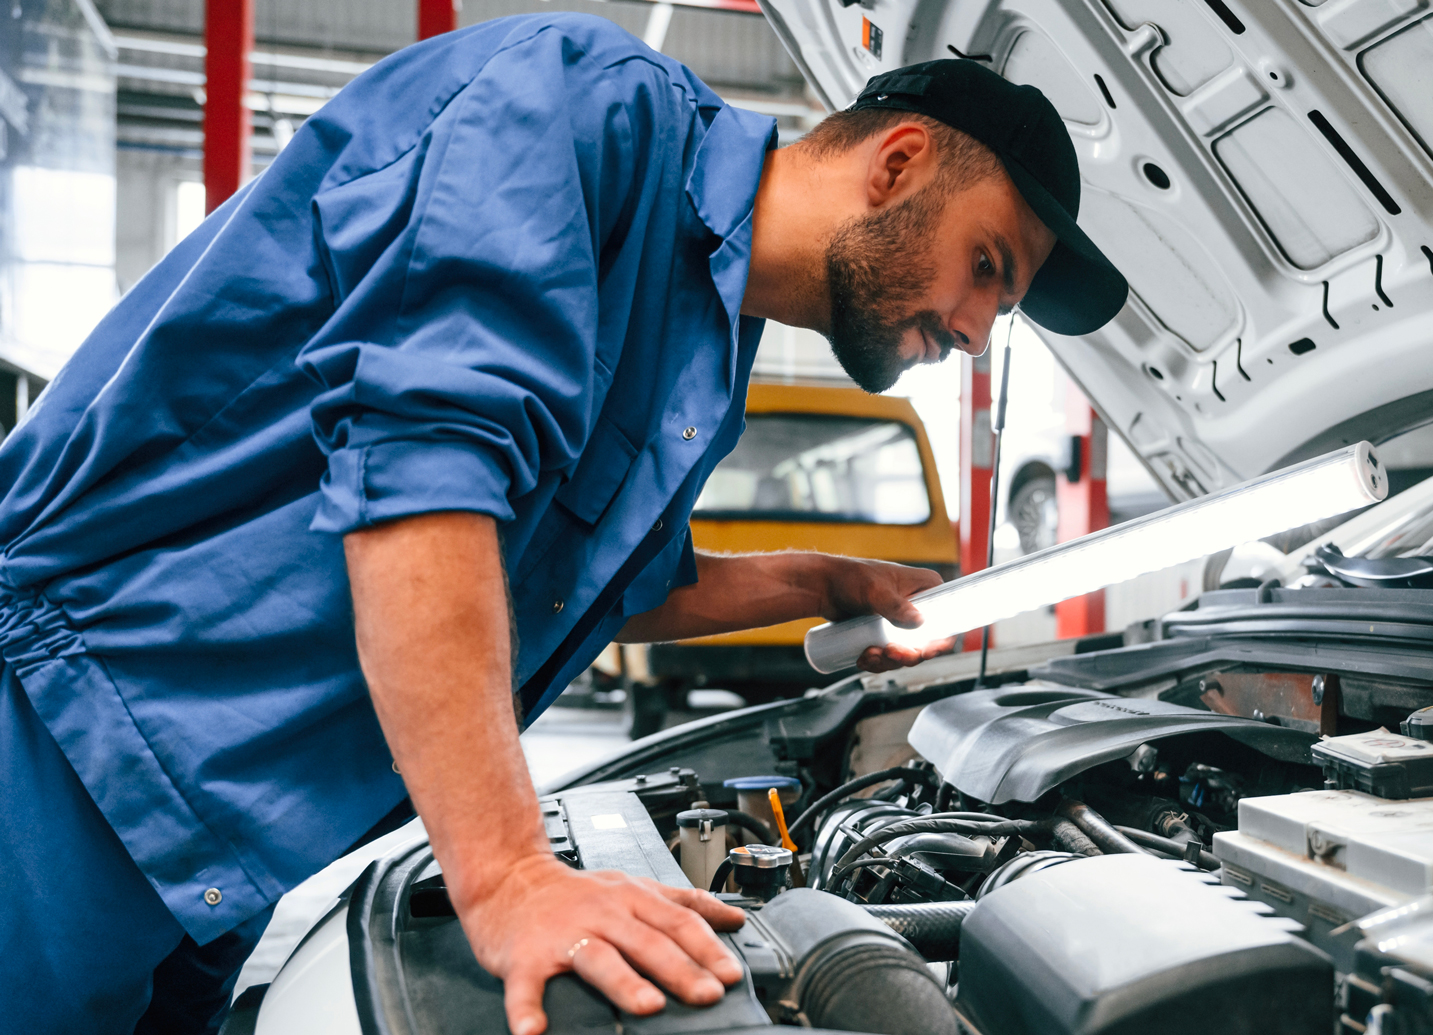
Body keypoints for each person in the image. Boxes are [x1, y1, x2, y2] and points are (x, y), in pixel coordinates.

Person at [0, 14, 1125, 1035]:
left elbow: (576, 583)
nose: (977, 329)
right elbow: (423, 475)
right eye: (986, 266)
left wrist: (819, 582)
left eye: (1002, 307)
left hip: (229, 826)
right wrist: (505, 877)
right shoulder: (584, 112)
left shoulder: (708, 337)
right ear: (897, 165)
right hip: (75, 735)